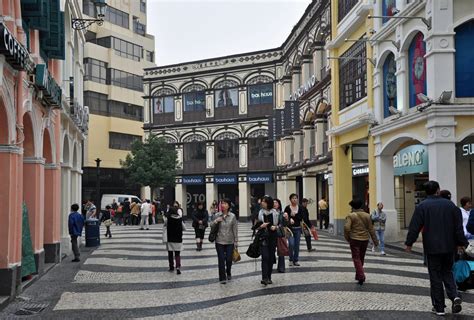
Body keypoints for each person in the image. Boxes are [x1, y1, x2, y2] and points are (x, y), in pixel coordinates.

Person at [405, 180, 468, 316]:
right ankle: (454, 295)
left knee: (435, 276)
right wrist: (461, 243)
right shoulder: (450, 206)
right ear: (438, 190)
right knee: (447, 271)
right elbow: (458, 228)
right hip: (449, 246)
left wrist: (409, 243)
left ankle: (439, 307)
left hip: (432, 247)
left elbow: (415, 226)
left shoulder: (422, 206)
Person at [344, 198, 379, 286]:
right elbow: (371, 229)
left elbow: (347, 228)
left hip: (354, 239)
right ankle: (358, 275)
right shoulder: (367, 215)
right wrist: (375, 241)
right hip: (365, 239)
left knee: (356, 258)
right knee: (361, 258)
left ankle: (361, 276)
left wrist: (347, 237)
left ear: (353, 207)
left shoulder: (351, 216)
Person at [210, 198, 238, 284]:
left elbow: (235, 229)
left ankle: (228, 271)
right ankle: (222, 277)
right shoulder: (217, 215)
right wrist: (215, 221)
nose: (223, 205)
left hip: (230, 241)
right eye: (222, 203)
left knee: (229, 259)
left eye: (225, 203)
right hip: (219, 240)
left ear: (229, 205)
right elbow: (211, 225)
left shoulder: (232, 216)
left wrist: (236, 241)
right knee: (221, 259)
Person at [256, 196, 279, 285]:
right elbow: (256, 226)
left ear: (268, 203)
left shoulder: (275, 213)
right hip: (263, 237)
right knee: (265, 257)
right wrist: (261, 226)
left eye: (264, 202)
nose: (262, 203)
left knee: (270, 257)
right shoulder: (260, 213)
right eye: (262, 201)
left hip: (272, 237)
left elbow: (279, 225)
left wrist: (275, 227)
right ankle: (264, 277)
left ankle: (269, 276)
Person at [165, 201, 184, 275]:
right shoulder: (179, 219)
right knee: (177, 254)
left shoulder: (168, 219)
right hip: (178, 238)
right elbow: (184, 227)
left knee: (170, 253)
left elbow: (165, 226)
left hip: (170, 238)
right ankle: (178, 266)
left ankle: (171, 266)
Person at [284, 193, 304, 266]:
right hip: (290, 229)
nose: (294, 199)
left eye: (296, 198)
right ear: (290, 199)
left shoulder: (300, 207)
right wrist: (289, 218)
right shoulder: (287, 208)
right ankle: (290, 259)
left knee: (297, 245)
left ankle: (296, 260)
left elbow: (302, 217)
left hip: (298, 229)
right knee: (291, 244)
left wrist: (295, 215)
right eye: (293, 198)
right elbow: (284, 217)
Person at [274, 198, 287, 273]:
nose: (274, 204)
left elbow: (285, 224)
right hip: (271, 234)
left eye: (276, 202)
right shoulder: (268, 213)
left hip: (279, 234)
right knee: (271, 252)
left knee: (281, 251)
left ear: (279, 204)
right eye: (273, 202)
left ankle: (281, 267)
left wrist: (286, 218)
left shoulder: (282, 213)